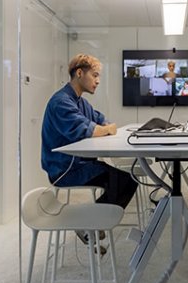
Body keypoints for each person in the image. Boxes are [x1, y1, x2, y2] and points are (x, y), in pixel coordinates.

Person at [41, 53, 139, 247]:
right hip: (65, 170)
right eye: (94, 75)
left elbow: (103, 121)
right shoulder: (62, 102)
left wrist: (104, 128)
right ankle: (89, 225)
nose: (98, 81)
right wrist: (103, 129)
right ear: (79, 73)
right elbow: (91, 130)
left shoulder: (80, 102)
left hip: (82, 164)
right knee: (124, 181)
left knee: (125, 180)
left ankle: (93, 226)